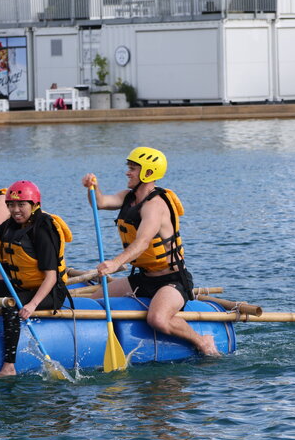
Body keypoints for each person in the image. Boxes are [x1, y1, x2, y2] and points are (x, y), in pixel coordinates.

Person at [81, 147, 219, 356]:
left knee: (157, 319)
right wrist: (93, 188)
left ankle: (203, 341)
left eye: (133, 169)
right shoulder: (128, 197)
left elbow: (143, 242)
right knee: (91, 303)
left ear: (148, 172)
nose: (128, 172)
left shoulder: (155, 205)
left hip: (172, 281)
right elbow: (100, 203)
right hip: (143, 278)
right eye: (129, 168)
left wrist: (115, 263)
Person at [0, 180, 72, 377]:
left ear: (34, 205)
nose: (16, 210)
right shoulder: (10, 225)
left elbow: (51, 277)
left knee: (10, 305)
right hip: (19, 286)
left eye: (21, 204)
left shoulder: (43, 230)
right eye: (11, 205)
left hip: (49, 292)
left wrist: (32, 305)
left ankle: (9, 367)